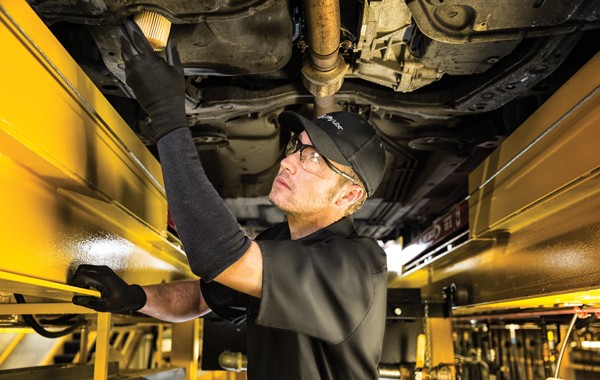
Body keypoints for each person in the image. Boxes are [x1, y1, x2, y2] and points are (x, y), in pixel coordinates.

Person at [71, 20, 388, 379]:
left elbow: (219, 258)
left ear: (349, 194)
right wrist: (136, 298)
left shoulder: (359, 266)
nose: (287, 161)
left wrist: (167, 116)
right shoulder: (276, 244)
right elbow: (199, 299)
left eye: (313, 158)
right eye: (297, 147)